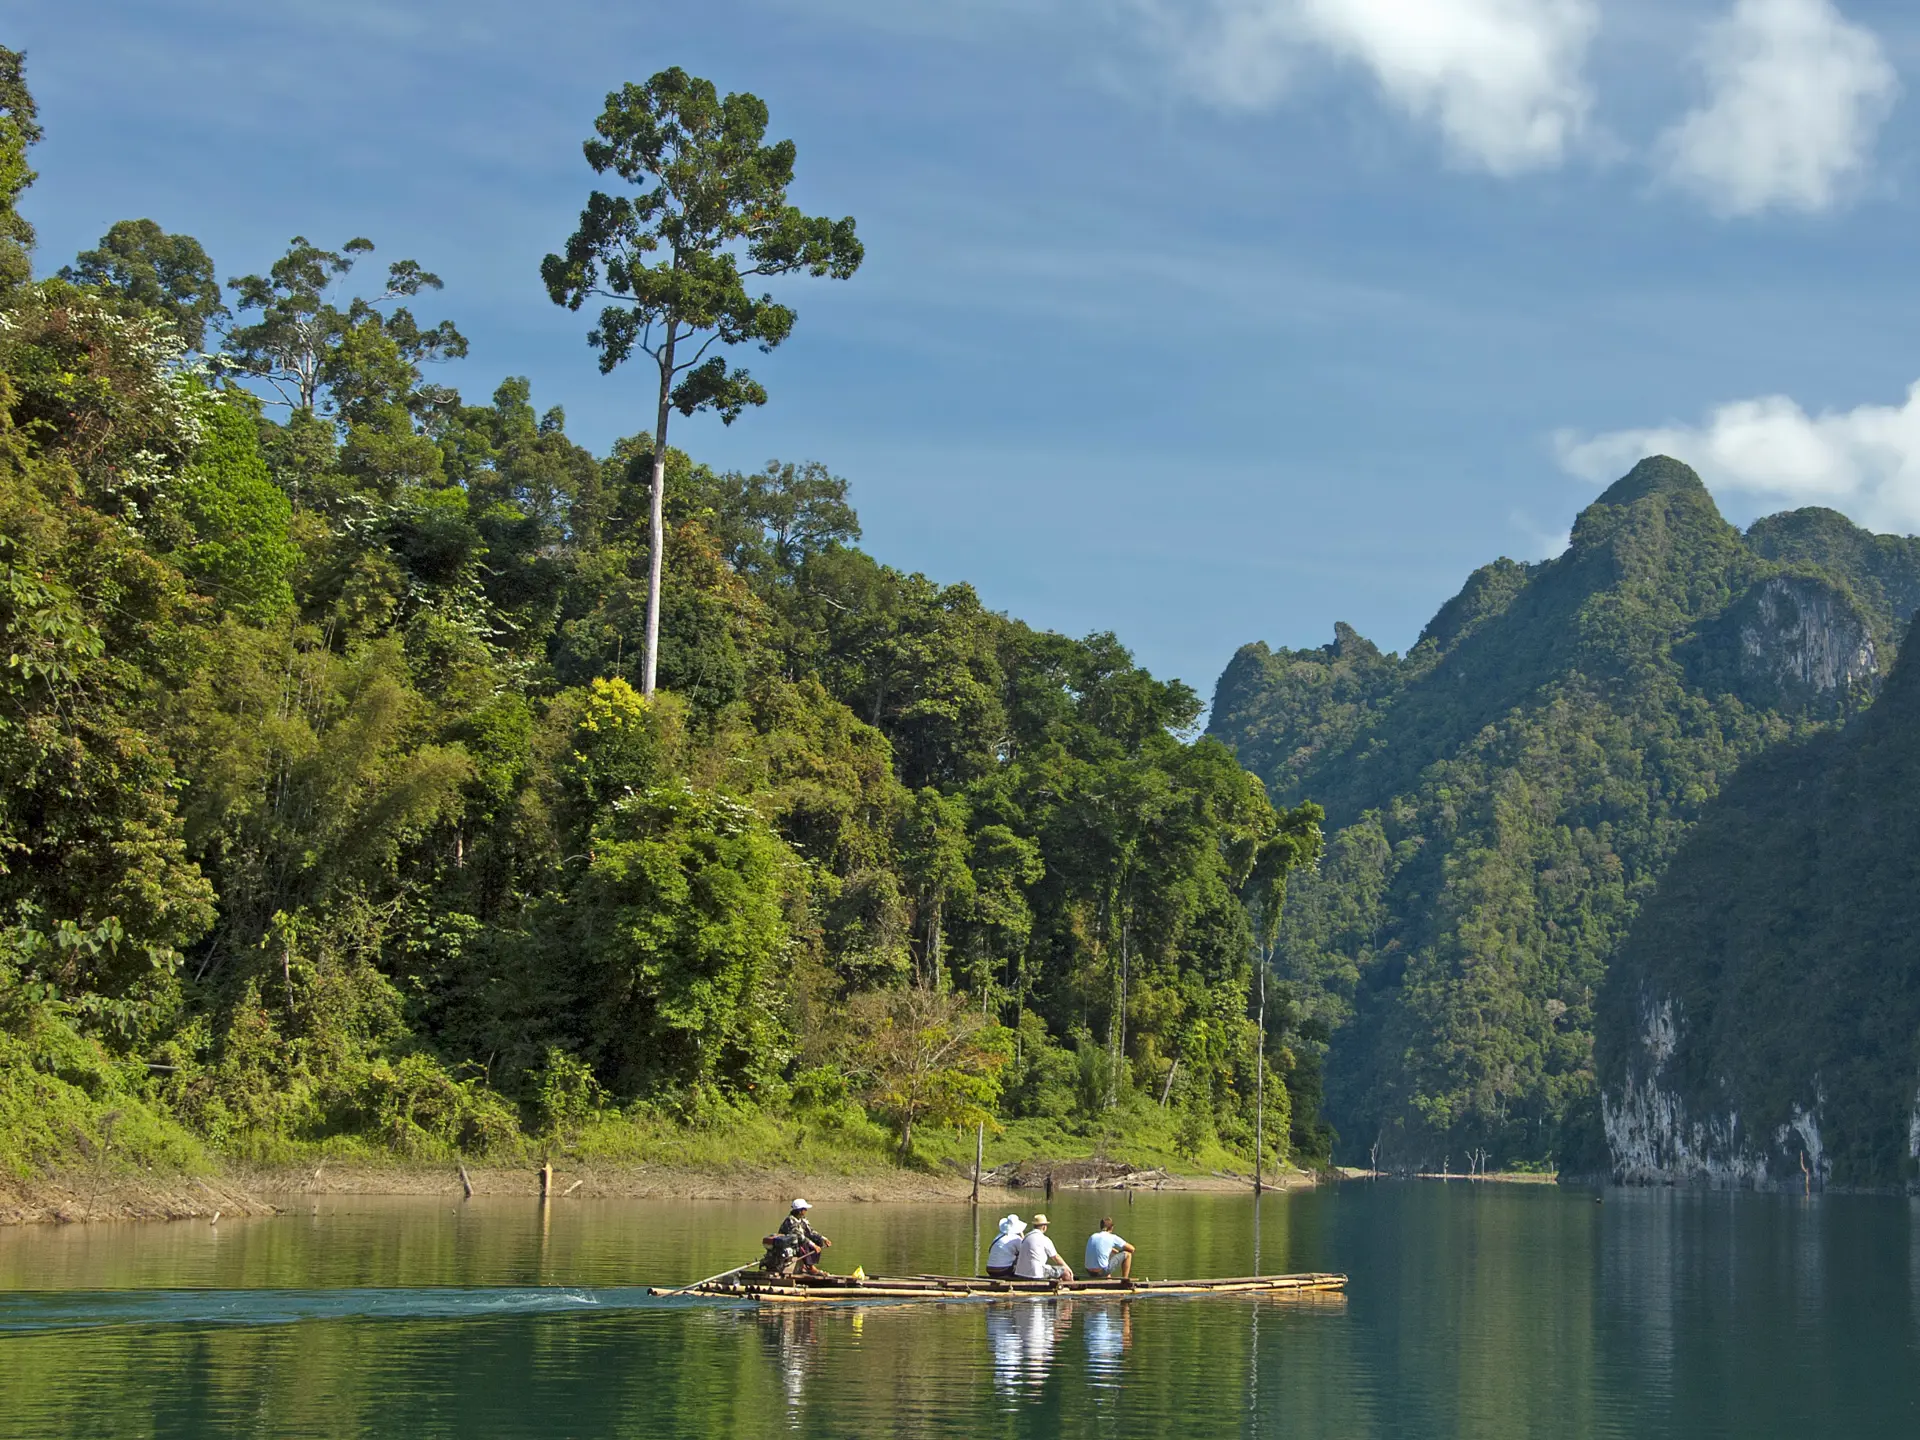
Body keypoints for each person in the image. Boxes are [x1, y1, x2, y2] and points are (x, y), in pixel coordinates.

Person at [1015, 1213, 1073, 1281]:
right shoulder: (1044, 1239)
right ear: (1044, 1227)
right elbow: (1056, 1257)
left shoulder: (1025, 1238)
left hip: (1020, 1274)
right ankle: (1073, 1287)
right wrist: (1068, 1268)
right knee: (1065, 1271)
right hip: (1036, 1274)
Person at [778, 1198, 831, 1273]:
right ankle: (810, 1267)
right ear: (800, 1211)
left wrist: (824, 1239)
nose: (806, 1210)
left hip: (799, 1242)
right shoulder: (790, 1221)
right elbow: (800, 1237)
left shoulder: (802, 1220)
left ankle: (807, 1265)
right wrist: (813, 1246)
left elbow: (811, 1232)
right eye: (805, 1209)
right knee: (804, 1243)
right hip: (790, 1245)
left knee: (817, 1240)